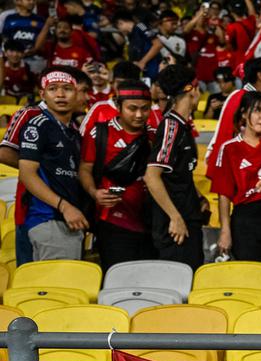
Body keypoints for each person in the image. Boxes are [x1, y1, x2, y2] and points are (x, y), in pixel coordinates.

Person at [79, 81, 154, 271]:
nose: (139, 114)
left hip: (150, 220)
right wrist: (94, 193)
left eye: (145, 109)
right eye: (132, 108)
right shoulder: (100, 133)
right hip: (112, 220)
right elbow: (85, 169)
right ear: (118, 106)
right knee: (117, 275)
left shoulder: (154, 136)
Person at [19, 68, 87, 261]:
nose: (60, 94)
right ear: (42, 95)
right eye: (53, 89)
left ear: (77, 94)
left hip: (69, 221)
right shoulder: (37, 125)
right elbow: (27, 174)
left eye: (67, 89)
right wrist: (64, 207)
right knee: (58, 289)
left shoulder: (73, 133)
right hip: (49, 220)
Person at [211, 91, 261, 264]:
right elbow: (224, 194)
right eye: (258, 111)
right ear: (244, 113)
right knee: (253, 275)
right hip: (246, 221)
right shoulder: (229, 148)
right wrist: (225, 231)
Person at [145, 64, 206, 268]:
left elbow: (178, 173)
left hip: (187, 217)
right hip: (175, 226)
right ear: (192, 89)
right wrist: (175, 217)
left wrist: (198, 197)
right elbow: (151, 176)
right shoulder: (171, 126)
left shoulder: (182, 125)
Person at [204, 56, 261, 179]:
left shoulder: (236, 94)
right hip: (238, 169)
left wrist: (211, 156)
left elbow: (219, 132)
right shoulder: (251, 100)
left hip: (224, 165)